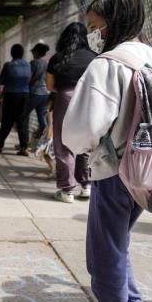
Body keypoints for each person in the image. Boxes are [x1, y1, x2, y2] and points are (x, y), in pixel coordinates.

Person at [62, 0, 152, 302]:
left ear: (112, 23)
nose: (92, 34)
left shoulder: (107, 65)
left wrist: (79, 147)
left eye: (96, 26)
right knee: (119, 242)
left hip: (115, 171)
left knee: (104, 254)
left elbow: (81, 130)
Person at [46, 23, 96, 203]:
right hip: (89, 99)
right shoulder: (94, 58)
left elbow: (50, 86)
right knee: (87, 142)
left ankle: (67, 190)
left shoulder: (57, 58)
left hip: (65, 98)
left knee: (63, 143)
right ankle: (87, 185)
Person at [0, 44, 31, 156]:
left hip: (11, 94)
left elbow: (1, 81)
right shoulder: (28, 65)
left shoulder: (8, 65)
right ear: (22, 54)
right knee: (22, 121)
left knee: (7, 121)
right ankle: (24, 147)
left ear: (11, 53)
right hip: (25, 94)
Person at [26, 43, 50, 143]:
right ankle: (46, 141)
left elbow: (30, 78)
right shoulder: (47, 63)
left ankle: (25, 142)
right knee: (42, 117)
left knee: (24, 116)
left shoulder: (33, 63)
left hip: (35, 92)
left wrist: (28, 85)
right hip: (46, 93)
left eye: (33, 52)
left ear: (36, 52)